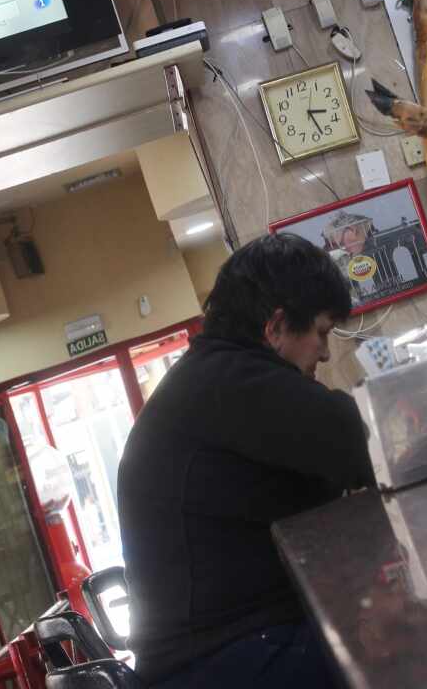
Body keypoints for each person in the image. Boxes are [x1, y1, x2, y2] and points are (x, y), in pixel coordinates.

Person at [117, 234, 374, 689]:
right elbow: (354, 436)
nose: (326, 351)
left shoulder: (210, 376)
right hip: (220, 662)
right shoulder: (226, 381)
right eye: (320, 331)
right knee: (393, 655)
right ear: (275, 327)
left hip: (225, 649)